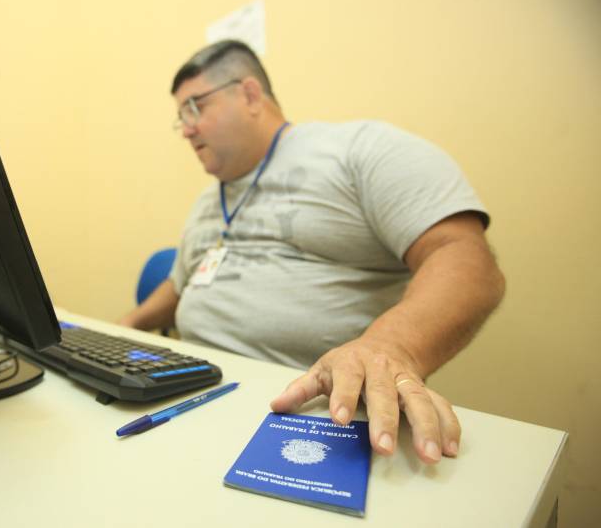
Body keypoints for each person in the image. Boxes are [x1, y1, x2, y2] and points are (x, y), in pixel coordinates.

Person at [119, 40, 505, 465]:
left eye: (195, 107)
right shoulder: (206, 203)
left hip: (311, 414)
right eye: (180, 117)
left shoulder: (357, 151)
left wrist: (390, 348)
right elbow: (181, 283)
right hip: (194, 399)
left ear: (249, 94)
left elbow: (465, 258)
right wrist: (122, 329)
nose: (186, 128)